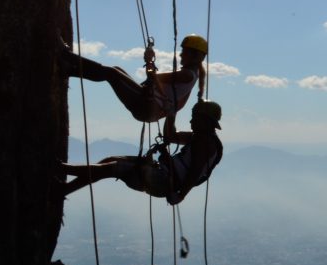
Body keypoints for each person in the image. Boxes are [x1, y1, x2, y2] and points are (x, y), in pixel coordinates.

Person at [62, 100, 224, 205]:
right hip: (164, 175)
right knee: (108, 162)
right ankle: (64, 189)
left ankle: (60, 169)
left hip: (164, 180)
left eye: (195, 117)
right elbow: (170, 136)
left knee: (111, 167)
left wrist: (181, 195)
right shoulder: (198, 138)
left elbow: (195, 172)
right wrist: (171, 115)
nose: (191, 121)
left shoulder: (206, 143)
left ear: (205, 120)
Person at [61, 34, 208, 123]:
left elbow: (153, 77)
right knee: (116, 71)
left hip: (146, 105)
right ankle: (69, 71)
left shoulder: (187, 75)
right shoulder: (192, 76)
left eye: (185, 52)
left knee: (112, 73)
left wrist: (149, 61)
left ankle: (67, 56)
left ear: (195, 56)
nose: (181, 54)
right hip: (148, 108)